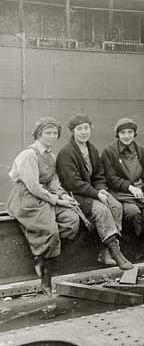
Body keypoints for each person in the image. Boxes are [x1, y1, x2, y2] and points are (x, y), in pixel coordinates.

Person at [7, 117, 80, 295]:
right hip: (27, 199)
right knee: (50, 230)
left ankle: (43, 254)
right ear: (39, 134)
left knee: (72, 220)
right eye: (48, 133)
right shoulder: (28, 155)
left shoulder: (50, 155)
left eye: (55, 133)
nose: (52, 136)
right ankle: (45, 275)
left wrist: (63, 196)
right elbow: (33, 187)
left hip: (45, 195)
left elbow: (53, 181)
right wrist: (57, 200)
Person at [56, 114, 133, 270]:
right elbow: (73, 183)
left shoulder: (92, 149)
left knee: (116, 205)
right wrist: (97, 195)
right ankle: (117, 254)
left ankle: (105, 252)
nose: (83, 132)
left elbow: (99, 175)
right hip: (76, 195)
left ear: (91, 129)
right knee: (102, 211)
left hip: (92, 192)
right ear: (72, 131)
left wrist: (102, 190)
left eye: (86, 128)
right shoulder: (66, 153)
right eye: (79, 129)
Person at [101, 118, 144, 261]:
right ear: (117, 134)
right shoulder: (109, 151)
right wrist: (129, 187)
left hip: (142, 190)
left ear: (134, 133)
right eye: (123, 132)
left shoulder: (140, 150)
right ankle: (133, 243)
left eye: (130, 132)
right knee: (132, 213)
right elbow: (111, 177)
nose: (127, 135)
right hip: (122, 192)